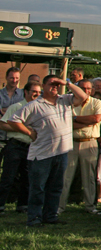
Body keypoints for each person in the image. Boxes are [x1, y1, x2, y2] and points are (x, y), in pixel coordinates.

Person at [7, 74, 89, 227]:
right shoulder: (34, 105)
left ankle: (50, 216)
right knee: (38, 188)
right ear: (43, 86)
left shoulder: (64, 100)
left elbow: (83, 97)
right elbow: (13, 120)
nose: (54, 87)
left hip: (61, 152)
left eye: (57, 85)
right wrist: (29, 133)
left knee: (56, 187)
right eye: (51, 84)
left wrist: (66, 83)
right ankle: (34, 218)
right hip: (42, 155)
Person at [58, 79, 101, 215]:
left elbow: (96, 119)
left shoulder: (97, 103)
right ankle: (59, 207)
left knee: (89, 176)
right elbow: (64, 123)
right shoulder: (68, 103)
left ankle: (90, 206)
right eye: (83, 88)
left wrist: (74, 119)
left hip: (89, 142)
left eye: (89, 89)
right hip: (70, 142)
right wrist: (84, 121)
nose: (86, 91)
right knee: (65, 176)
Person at [0, 81, 41, 214]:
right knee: (8, 177)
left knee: (27, 178)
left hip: (32, 147)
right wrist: (23, 129)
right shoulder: (16, 107)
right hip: (16, 146)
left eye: (39, 92)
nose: (37, 94)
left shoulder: (40, 108)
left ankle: (22, 205)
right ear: (26, 92)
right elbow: (2, 124)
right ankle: (1, 205)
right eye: (34, 91)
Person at [0, 67, 24, 166]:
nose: (14, 80)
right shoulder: (0, 94)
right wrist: (13, 110)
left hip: (14, 140)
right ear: (6, 77)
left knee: (11, 170)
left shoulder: (22, 94)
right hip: (0, 137)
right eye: (11, 78)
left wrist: (6, 110)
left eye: (16, 78)